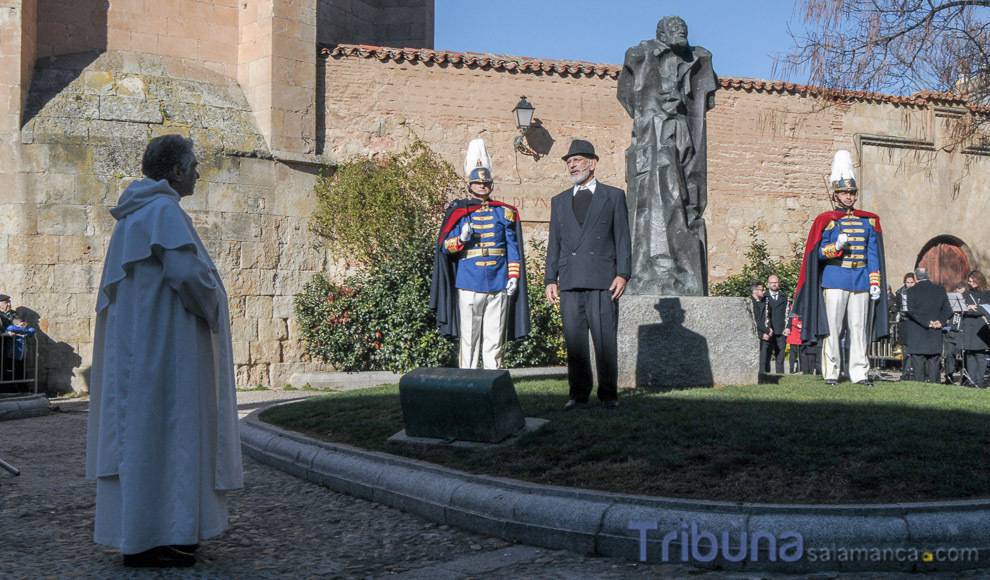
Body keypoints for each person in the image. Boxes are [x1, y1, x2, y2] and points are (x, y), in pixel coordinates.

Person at [86, 135, 243, 568]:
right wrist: (215, 302)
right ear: (174, 171)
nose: (197, 172)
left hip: (141, 347)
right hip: (165, 350)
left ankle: (147, 535)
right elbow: (186, 274)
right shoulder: (162, 212)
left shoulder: (134, 215)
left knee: (143, 437)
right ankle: (164, 538)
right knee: (169, 435)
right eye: (192, 165)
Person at [617, 16, 718, 296]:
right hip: (652, 135)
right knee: (655, 201)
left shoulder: (697, 58)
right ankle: (654, 270)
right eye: (674, 28)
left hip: (679, 130)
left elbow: (702, 99)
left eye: (683, 28)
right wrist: (652, 118)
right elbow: (627, 96)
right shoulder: (640, 55)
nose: (681, 31)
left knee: (683, 198)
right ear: (661, 32)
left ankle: (684, 272)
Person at [545, 139, 632, 410]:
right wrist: (550, 279)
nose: (572, 165)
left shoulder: (614, 196)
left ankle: (608, 395)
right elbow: (554, 243)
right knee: (575, 341)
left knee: (605, 340)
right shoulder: (559, 202)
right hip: (570, 279)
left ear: (592, 164)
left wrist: (623, 273)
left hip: (603, 279)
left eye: (578, 160)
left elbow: (622, 238)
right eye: (569, 161)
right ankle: (578, 394)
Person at [791, 150, 889, 386]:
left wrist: (874, 282)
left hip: (861, 279)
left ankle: (859, 372)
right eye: (845, 192)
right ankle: (832, 372)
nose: (849, 196)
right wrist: (836, 246)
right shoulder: (827, 220)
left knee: (858, 329)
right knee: (833, 329)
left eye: (852, 192)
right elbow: (819, 254)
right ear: (836, 195)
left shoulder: (868, 221)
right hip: (835, 278)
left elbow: (873, 255)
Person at [430, 138, 529, 368]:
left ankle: (492, 379)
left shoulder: (504, 213)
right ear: (470, 185)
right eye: (478, 183)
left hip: (498, 279)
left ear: (491, 185)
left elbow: (512, 247)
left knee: (494, 339)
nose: (482, 186)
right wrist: (461, 239)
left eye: (486, 183)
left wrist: (513, 276)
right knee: (470, 338)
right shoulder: (460, 211)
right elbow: (445, 247)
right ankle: (469, 379)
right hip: (468, 280)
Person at [903, 268, 952, 383]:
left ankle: (919, 392)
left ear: (916, 277)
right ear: (928, 275)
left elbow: (911, 311)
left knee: (918, 368)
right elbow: (948, 310)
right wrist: (940, 321)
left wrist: (927, 322)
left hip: (917, 334)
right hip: (934, 333)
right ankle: (935, 389)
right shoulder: (939, 290)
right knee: (934, 365)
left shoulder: (911, 291)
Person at [960, 270, 990, 387]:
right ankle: (971, 381)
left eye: (973, 280)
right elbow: (960, 308)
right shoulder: (965, 294)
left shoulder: (987, 294)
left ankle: (979, 380)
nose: (970, 282)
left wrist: (973, 308)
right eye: (969, 280)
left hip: (980, 328)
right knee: (970, 354)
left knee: (980, 355)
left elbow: (986, 310)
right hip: (968, 327)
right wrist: (968, 308)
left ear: (979, 280)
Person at [765, 274, 790, 374]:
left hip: (781, 331)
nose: (774, 284)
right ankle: (766, 376)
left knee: (780, 356)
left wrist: (788, 327)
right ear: (768, 284)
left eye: (776, 282)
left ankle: (780, 375)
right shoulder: (764, 297)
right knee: (766, 355)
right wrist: (767, 329)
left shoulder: (784, 297)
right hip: (769, 331)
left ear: (778, 283)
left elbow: (788, 313)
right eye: (772, 283)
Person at [894, 272, 917, 379]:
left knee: (916, 349)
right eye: (908, 282)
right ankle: (906, 371)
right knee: (906, 350)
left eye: (912, 282)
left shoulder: (918, 292)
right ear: (905, 282)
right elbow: (898, 308)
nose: (910, 284)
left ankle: (916, 371)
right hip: (905, 323)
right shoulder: (900, 292)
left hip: (916, 323)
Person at [4, 314, 36, 381]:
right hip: (13, 355)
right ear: (16, 324)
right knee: (12, 372)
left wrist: (22, 330)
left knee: (21, 372)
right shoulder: (12, 328)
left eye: (24, 325)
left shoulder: (25, 329)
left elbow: (32, 330)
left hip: (22, 356)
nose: (24, 327)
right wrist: (21, 329)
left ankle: (22, 387)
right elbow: (10, 328)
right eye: (22, 325)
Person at [750, 282, 770, 372]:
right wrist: (764, 332)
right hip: (757, 334)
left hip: (764, 333)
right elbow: (754, 320)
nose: (763, 291)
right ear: (755, 291)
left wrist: (769, 329)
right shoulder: (750, 303)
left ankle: (763, 374)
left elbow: (767, 317)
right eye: (761, 290)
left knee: (763, 358)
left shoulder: (763, 302)